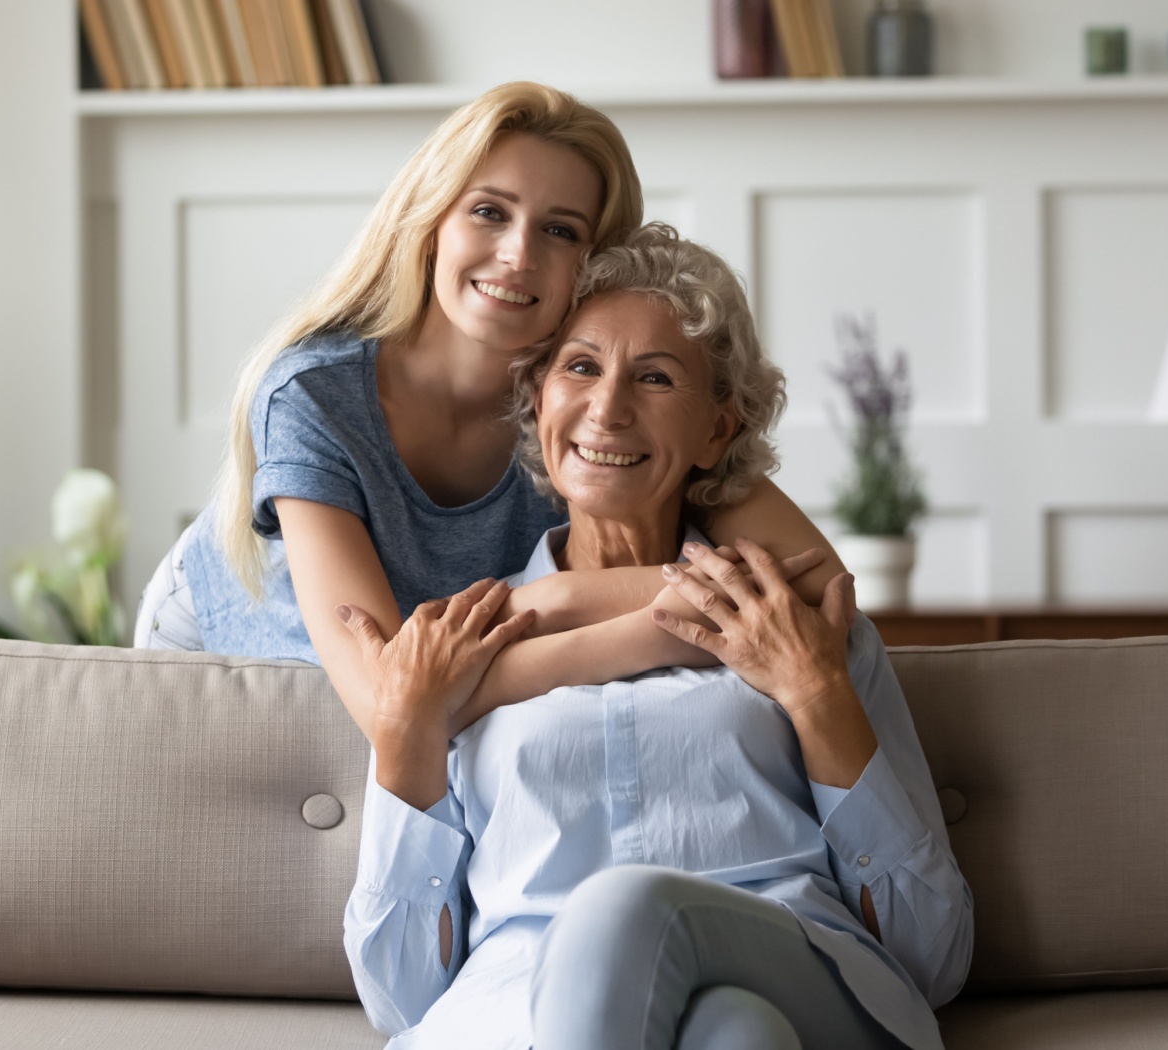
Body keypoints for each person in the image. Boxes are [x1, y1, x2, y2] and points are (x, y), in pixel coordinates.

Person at [341, 225, 972, 1049]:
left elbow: (933, 954)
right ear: (538, 401)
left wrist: (816, 695)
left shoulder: (801, 628)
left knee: (624, 910)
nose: (608, 407)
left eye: (655, 376)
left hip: (795, 958)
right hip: (516, 1007)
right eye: (579, 367)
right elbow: (401, 996)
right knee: (736, 1034)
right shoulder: (457, 654)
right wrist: (404, 737)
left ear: (717, 430)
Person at [133, 83, 845, 740]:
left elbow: (815, 579)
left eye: (560, 231)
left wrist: (561, 602)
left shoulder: (589, 404)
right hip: (237, 620)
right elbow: (395, 700)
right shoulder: (314, 396)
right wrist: (665, 626)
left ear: (594, 261)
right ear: (432, 219)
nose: (517, 254)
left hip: (459, 659)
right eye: (489, 212)